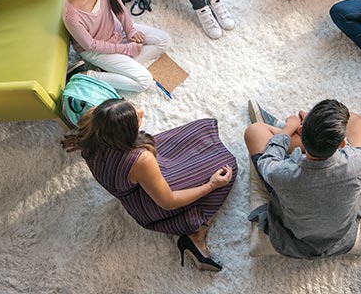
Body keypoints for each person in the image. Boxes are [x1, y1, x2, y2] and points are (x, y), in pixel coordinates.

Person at [63, 98, 236, 271]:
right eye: (136, 116)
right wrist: (212, 185)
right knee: (227, 166)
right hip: (147, 203)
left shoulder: (91, 122)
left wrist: (79, 142)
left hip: (125, 179)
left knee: (200, 130)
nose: (142, 112)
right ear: (127, 132)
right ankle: (196, 236)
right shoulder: (139, 159)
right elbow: (168, 202)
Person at [243, 99, 361, 259]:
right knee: (356, 121)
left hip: (293, 240)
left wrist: (288, 129)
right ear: (342, 144)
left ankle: (282, 130)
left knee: (253, 132)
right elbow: (352, 126)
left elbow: (267, 161)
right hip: (342, 238)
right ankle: (303, 130)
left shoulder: (282, 173)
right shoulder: (358, 161)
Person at [58, 0, 171, 93]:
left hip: (115, 30)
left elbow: (116, 1)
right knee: (144, 81)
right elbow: (91, 45)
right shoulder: (71, 16)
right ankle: (91, 75)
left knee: (164, 40)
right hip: (98, 50)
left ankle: (118, 71)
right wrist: (127, 49)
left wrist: (130, 30)